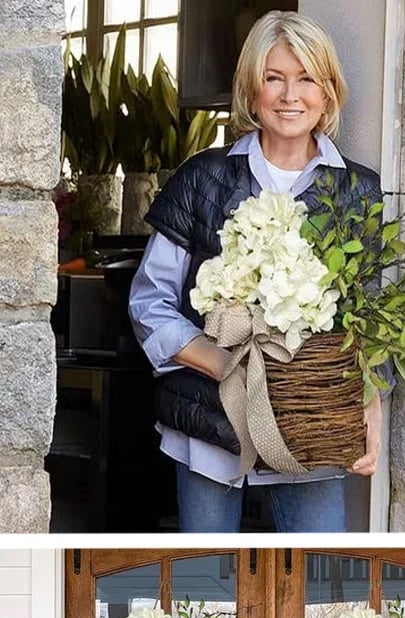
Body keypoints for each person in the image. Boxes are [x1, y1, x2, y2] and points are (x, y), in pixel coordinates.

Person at [128, 10, 385, 533]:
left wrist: (369, 408)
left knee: (321, 581)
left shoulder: (359, 192)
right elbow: (149, 304)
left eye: (306, 78)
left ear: (328, 91)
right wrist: (230, 368)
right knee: (206, 584)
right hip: (211, 428)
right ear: (252, 88)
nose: (290, 95)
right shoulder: (203, 178)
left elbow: (368, 320)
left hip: (309, 434)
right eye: (274, 78)